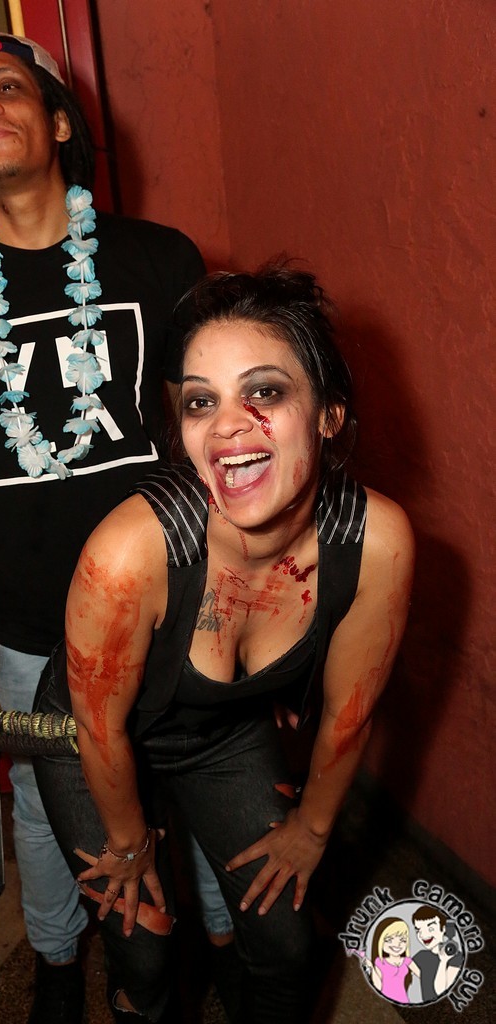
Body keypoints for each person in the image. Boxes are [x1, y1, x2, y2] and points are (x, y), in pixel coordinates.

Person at [0, 31, 207, 1024]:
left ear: (60, 122)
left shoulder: (159, 259)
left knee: (191, 769)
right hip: (24, 625)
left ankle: (220, 945)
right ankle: (57, 958)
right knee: (40, 800)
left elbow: (210, 443)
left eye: (6, 88)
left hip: (170, 600)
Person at [33, 263, 415, 1022]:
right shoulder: (131, 552)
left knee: (287, 944)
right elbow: (100, 728)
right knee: (144, 950)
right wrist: (130, 841)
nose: (227, 426)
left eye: (264, 392)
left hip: (220, 734)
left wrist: (312, 830)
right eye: (201, 401)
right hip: (90, 743)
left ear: (329, 414)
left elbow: (349, 715)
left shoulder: (376, 542)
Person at [412, 906, 464, 1001]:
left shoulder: (456, 957)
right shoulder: (421, 956)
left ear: (443, 929)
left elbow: (440, 991)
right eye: (418, 930)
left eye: (431, 929)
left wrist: (443, 961)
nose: (423, 935)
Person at [363, 917, 420, 1003]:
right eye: (389, 940)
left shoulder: (407, 961)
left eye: (403, 940)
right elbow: (378, 986)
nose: (397, 944)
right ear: (380, 941)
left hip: (403, 1001)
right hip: (384, 1001)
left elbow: (423, 976)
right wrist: (371, 967)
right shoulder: (380, 962)